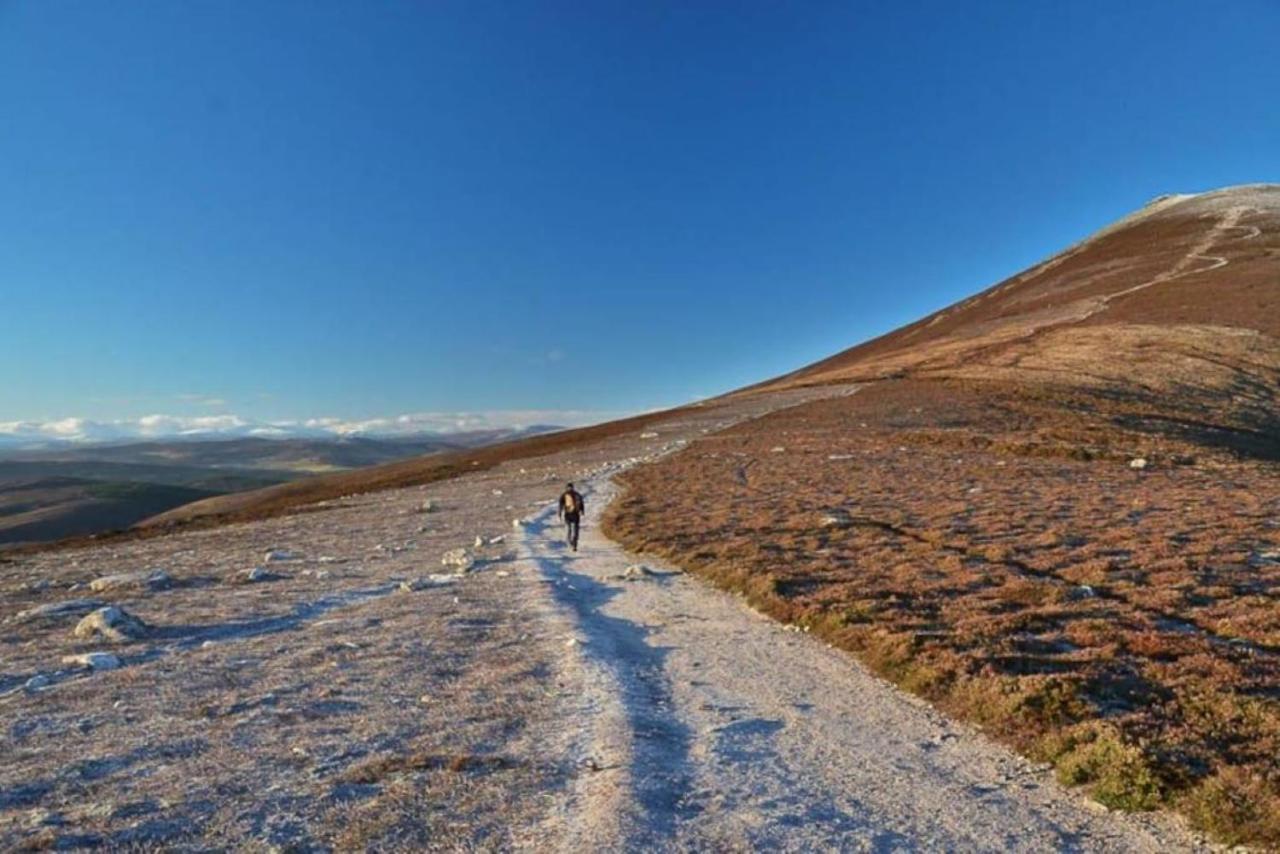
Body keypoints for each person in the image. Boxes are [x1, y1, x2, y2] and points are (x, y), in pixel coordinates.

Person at [558, 482, 585, 551]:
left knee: (576, 531)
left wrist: (582, 511)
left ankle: (574, 545)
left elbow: (581, 503)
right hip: (568, 514)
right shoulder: (564, 495)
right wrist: (559, 513)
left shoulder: (577, 495)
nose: (570, 489)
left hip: (576, 514)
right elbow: (560, 505)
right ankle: (570, 542)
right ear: (566, 488)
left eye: (571, 487)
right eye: (569, 487)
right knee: (569, 529)